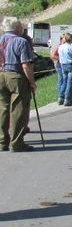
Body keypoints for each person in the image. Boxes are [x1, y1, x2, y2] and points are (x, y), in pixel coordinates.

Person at [0, 16, 36, 152]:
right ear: (16, 27)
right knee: (18, 109)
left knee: (3, 109)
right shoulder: (21, 41)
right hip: (15, 75)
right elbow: (26, 64)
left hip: (1, 74)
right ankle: (16, 143)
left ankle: (2, 141)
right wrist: (32, 82)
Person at [57, 33, 72, 106]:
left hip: (63, 65)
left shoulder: (60, 47)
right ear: (71, 39)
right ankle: (67, 99)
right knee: (70, 82)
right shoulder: (71, 48)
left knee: (64, 81)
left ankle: (60, 98)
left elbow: (59, 56)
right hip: (70, 65)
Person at [50, 34, 65, 104]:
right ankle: (60, 96)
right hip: (59, 64)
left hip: (64, 64)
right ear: (61, 39)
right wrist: (60, 58)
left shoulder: (64, 46)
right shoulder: (59, 46)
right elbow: (53, 55)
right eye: (64, 38)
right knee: (61, 79)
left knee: (65, 79)